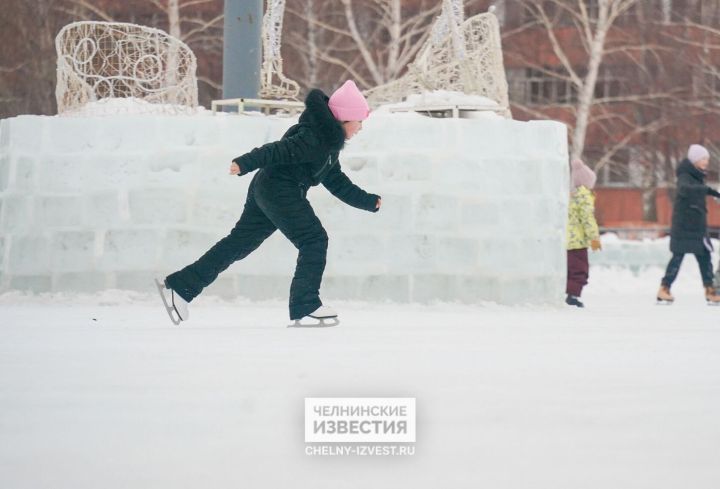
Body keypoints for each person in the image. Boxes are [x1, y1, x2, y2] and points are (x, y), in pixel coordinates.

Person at [157, 80, 381, 325]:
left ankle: (180, 287)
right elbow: (278, 150)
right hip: (279, 190)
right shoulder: (314, 137)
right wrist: (245, 162)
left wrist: (368, 201)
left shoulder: (327, 145)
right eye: (359, 121)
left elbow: (336, 181)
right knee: (314, 240)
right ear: (345, 118)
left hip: (269, 188)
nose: (360, 128)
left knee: (239, 243)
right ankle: (306, 305)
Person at [657, 144, 720, 304]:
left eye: (707, 158)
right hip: (685, 227)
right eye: (703, 159)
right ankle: (664, 288)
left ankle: (710, 290)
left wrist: (714, 193)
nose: (706, 162)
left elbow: (702, 189)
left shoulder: (696, 177)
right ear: (695, 160)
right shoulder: (685, 175)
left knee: (705, 257)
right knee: (678, 257)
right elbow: (685, 189)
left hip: (696, 227)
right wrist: (704, 190)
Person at [566, 158, 601, 308]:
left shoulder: (571, 195)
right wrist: (594, 238)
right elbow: (587, 219)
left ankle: (568, 293)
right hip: (578, 241)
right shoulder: (584, 195)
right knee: (580, 269)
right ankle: (572, 296)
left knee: (570, 268)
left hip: (567, 240)